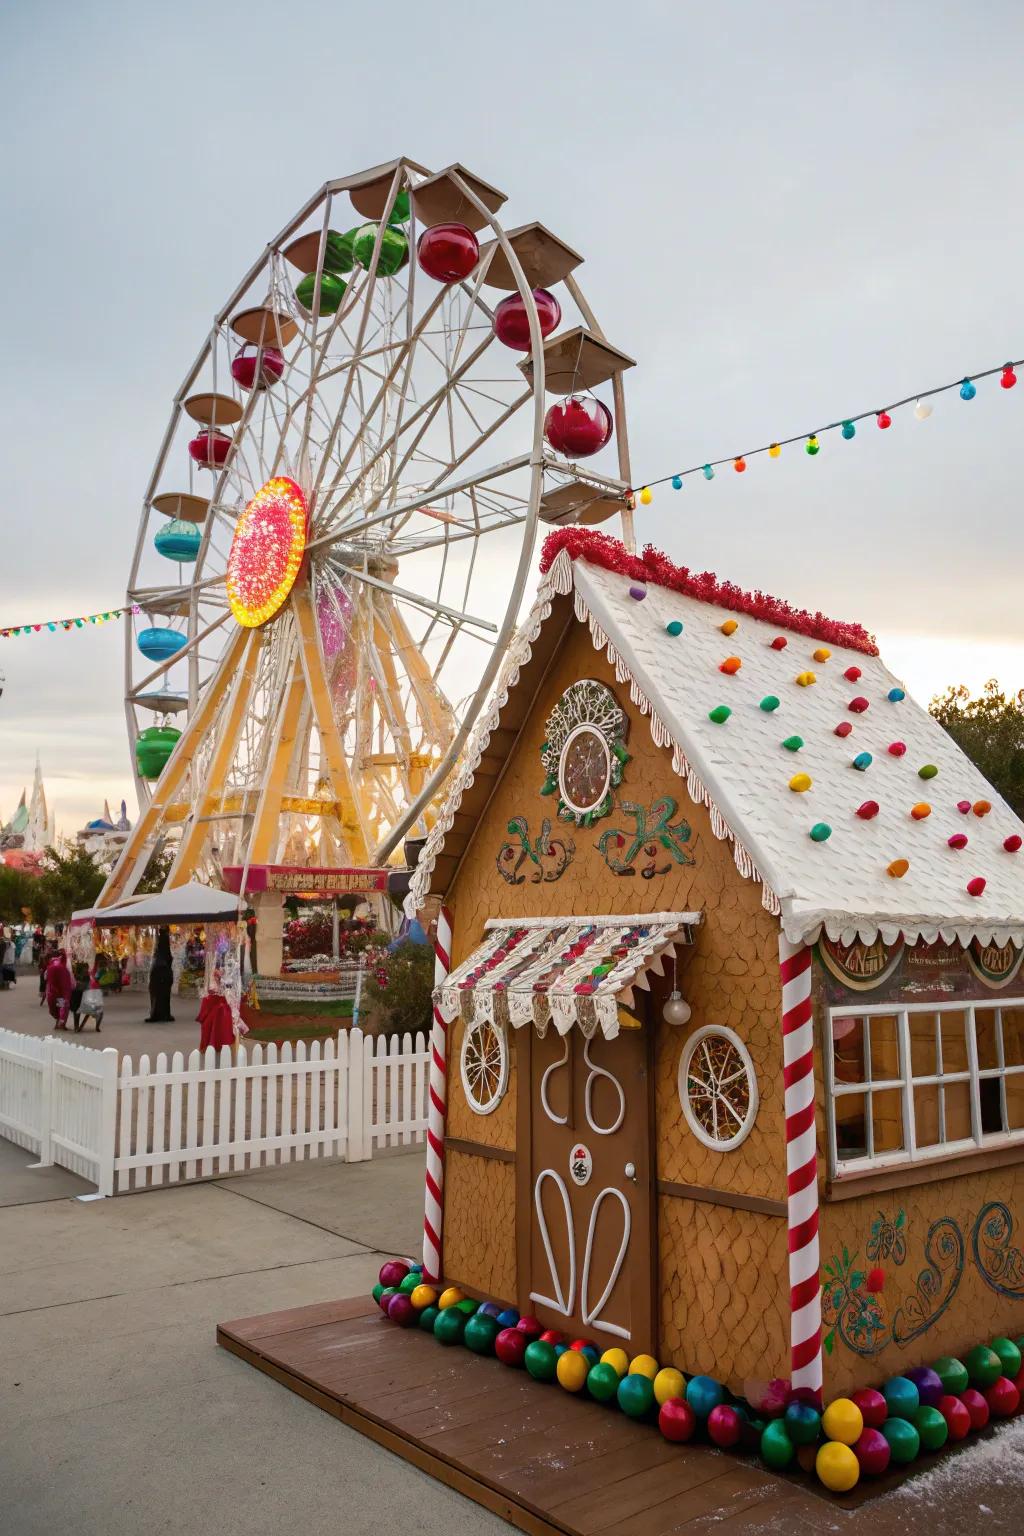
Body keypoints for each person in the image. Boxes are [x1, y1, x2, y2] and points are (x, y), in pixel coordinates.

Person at [146, 926, 175, 1022]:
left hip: (159, 972)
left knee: (156, 994)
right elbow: (168, 957)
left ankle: (156, 1014)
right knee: (165, 995)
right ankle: (164, 1014)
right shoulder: (165, 940)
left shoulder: (159, 940)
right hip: (164, 972)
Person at [45, 949, 73, 1030]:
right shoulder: (63, 964)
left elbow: (46, 977)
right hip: (62, 991)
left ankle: (58, 1022)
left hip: (53, 991)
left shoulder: (50, 965)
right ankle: (62, 1023)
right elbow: (68, 978)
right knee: (62, 1006)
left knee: (55, 1007)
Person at [77, 967, 104, 1032]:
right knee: (99, 1013)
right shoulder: (92, 983)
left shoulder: (82, 983)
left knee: (88, 1014)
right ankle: (97, 1027)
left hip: (86, 1002)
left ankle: (80, 1027)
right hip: (90, 1002)